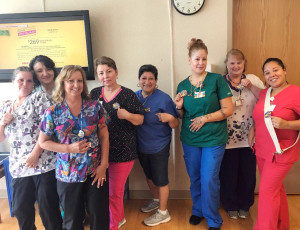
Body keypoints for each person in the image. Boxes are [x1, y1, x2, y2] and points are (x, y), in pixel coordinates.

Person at [38, 65, 110, 230]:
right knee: (72, 221)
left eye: (80, 81)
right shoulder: (52, 112)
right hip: (67, 174)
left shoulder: (95, 107)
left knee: (100, 217)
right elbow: (44, 142)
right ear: (63, 83)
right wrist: (69, 148)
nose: (76, 85)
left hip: (95, 171)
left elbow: (104, 135)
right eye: (71, 81)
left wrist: (104, 165)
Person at [174, 38, 233, 230]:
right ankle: (198, 210)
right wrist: (179, 107)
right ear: (189, 60)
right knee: (196, 177)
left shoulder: (217, 81)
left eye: (204, 59)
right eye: (197, 59)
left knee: (209, 179)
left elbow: (228, 109)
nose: (200, 62)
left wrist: (205, 118)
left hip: (214, 139)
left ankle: (213, 219)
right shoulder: (183, 86)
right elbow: (182, 115)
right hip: (191, 140)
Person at [0, 67, 62, 230]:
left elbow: (49, 128)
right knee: (21, 209)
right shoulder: (6, 106)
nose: (25, 84)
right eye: (21, 80)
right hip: (19, 167)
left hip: (43, 164)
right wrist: (3, 123)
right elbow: (1, 137)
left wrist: (35, 154)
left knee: (48, 210)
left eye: (29, 80)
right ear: (13, 82)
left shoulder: (39, 98)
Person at [90, 56, 144, 230]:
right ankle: (118, 218)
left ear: (116, 72)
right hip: (99, 152)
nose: (105, 76)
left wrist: (127, 115)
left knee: (114, 192)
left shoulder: (127, 94)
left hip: (123, 151)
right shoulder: (94, 94)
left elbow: (140, 120)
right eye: (101, 73)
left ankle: (114, 225)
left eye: (109, 71)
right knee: (102, 192)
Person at [249, 58, 300, 230]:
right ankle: (281, 225)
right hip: (262, 150)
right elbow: (259, 116)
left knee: (266, 193)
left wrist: (287, 124)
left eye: (276, 70)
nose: (272, 75)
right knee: (276, 190)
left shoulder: (296, 92)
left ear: (285, 70)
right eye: (267, 72)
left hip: (281, 152)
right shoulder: (265, 93)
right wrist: (252, 130)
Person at [219, 49, 264, 219]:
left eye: (239, 62)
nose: (236, 66)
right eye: (232, 63)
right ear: (226, 64)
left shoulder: (253, 79)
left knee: (248, 175)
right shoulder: (220, 82)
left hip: (251, 137)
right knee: (229, 174)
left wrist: (250, 86)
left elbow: (266, 100)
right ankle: (230, 205)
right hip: (226, 137)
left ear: (244, 63)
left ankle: (245, 205)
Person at [135, 64, 179, 226]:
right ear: (139, 80)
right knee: (149, 176)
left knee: (161, 180)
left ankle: (163, 212)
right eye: (144, 78)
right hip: (141, 146)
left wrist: (170, 118)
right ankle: (155, 200)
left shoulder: (164, 98)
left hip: (159, 145)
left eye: (151, 78)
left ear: (156, 80)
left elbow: (175, 125)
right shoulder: (134, 97)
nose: (147, 82)